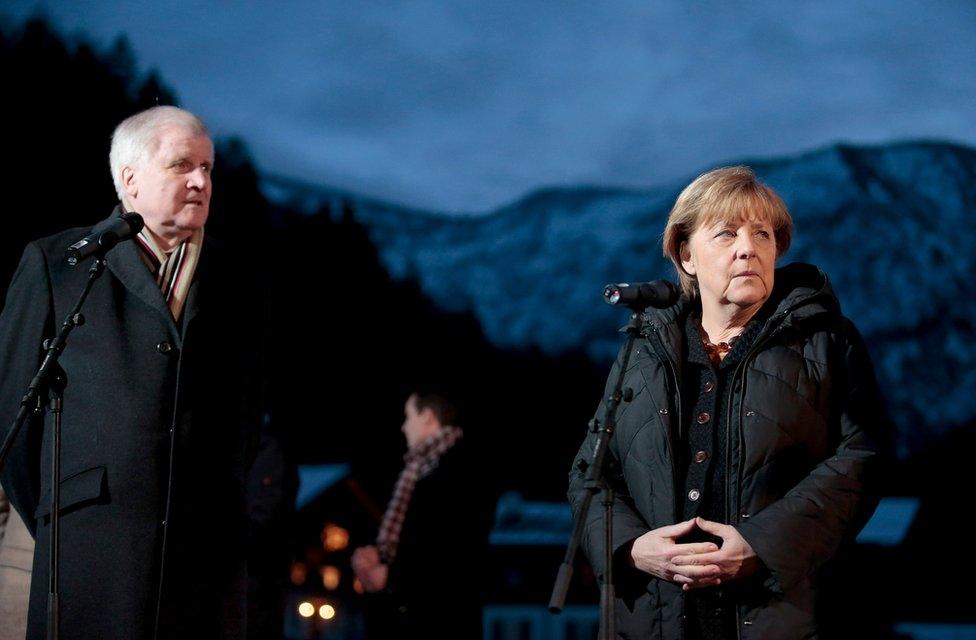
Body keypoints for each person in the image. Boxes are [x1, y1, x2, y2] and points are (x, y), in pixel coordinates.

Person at [568, 166, 884, 639]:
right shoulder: (643, 350)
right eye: (726, 233)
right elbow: (589, 474)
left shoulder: (825, 341)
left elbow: (862, 457)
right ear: (686, 254)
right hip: (651, 620)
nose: (748, 248)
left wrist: (760, 544)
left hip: (784, 613)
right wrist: (631, 547)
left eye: (763, 234)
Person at [0, 106, 258, 639]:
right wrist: (65, 509)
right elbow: (13, 418)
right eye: (182, 165)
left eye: (208, 168)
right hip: (90, 553)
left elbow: (247, 420)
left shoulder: (240, 279)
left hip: (204, 561)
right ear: (129, 178)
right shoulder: (59, 264)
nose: (200, 180)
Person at [352, 392, 492, 639]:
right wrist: (378, 555)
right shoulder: (421, 470)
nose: (404, 427)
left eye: (408, 417)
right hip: (417, 614)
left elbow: (450, 550)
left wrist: (390, 575)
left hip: (439, 620)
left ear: (427, 417)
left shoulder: (459, 471)